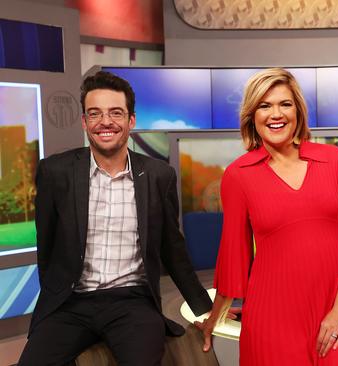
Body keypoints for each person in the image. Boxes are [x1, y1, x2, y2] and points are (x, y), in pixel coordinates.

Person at [18, 71, 213, 366]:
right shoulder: (55, 172)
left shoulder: (158, 175)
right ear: (84, 122)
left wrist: (204, 310)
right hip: (70, 304)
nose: (105, 122)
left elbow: (172, 248)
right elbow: (46, 246)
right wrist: (54, 296)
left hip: (132, 302)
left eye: (115, 113)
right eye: (94, 114)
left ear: (131, 120)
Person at [195, 68, 338, 365]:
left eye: (285, 104)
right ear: (252, 116)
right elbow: (234, 256)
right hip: (273, 316)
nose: (275, 114)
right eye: (264, 106)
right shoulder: (238, 175)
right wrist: (216, 317)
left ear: (298, 111)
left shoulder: (333, 160)